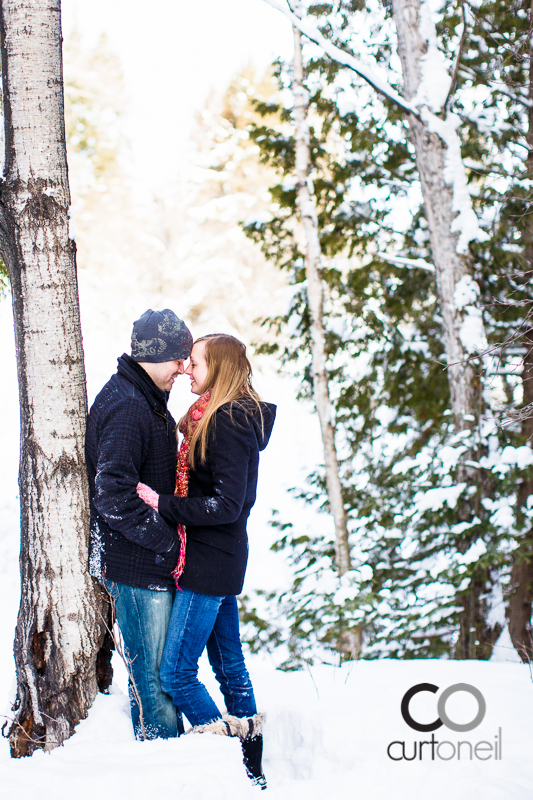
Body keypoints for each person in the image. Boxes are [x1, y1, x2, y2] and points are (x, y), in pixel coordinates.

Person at [136, 333, 276, 787]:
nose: (187, 369)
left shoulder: (228, 422)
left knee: (176, 673)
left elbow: (227, 505)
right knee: (229, 664)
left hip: (210, 561)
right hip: (220, 558)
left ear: (219, 368)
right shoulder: (216, 416)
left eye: (195, 363)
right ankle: (252, 772)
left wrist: (163, 504)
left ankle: (231, 766)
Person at [86, 308, 193, 740]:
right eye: (178, 358)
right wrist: (168, 544)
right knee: (154, 682)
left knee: (162, 678)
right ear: (154, 354)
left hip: (145, 565)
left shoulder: (143, 399)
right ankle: (163, 769)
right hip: (136, 569)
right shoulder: (129, 407)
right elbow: (112, 495)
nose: (183, 369)